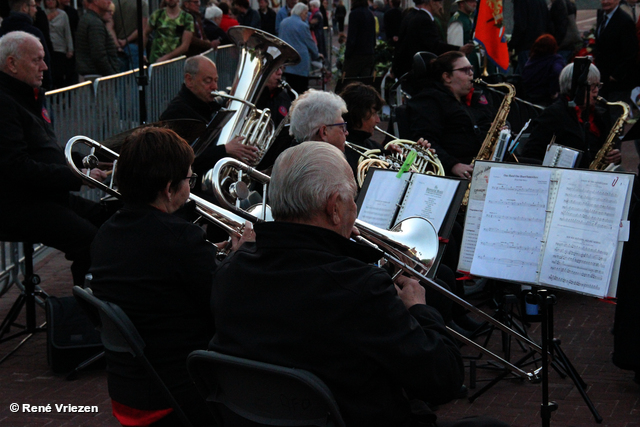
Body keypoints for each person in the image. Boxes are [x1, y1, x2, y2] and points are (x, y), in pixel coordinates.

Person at [209, 140, 510, 427]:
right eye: (353, 197)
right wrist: (419, 309)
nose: (356, 208)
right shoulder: (359, 287)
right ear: (334, 207)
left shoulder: (231, 269)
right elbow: (443, 379)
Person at [90, 127, 250, 427]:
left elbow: (158, 272)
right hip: (180, 392)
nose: (191, 186)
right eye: (189, 179)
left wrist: (215, 249)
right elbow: (228, 307)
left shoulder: (108, 231)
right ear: (167, 188)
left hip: (131, 387)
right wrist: (243, 255)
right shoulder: (180, 238)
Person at [0, 31, 108, 288]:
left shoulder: (29, 95)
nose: (45, 66)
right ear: (12, 64)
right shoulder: (4, 103)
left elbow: (48, 149)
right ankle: (90, 314)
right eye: (37, 60)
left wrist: (91, 162)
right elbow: (16, 167)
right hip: (19, 204)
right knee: (90, 241)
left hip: (46, 195)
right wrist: (77, 176)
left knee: (111, 220)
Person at [160, 55, 258, 187]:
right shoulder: (176, 112)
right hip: (192, 187)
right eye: (208, 81)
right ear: (189, 80)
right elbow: (183, 158)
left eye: (216, 81)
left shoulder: (210, 104)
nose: (215, 86)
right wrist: (225, 149)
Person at [406, 51, 493, 178]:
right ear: (447, 77)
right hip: (455, 171)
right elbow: (424, 140)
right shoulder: (429, 100)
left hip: (479, 165)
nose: (471, 74)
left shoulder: (468, 100)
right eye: (465, 70)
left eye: (471, 69)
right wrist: (453, 165)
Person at [521, 62, 621, 169]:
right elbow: (532, 153)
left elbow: (609, 147)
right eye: (592, 86)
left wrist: (615, 157)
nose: (596, 90)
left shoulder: (599, 114)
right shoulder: (554, 114)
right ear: (575, 87)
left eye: (598, 85)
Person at [392, 0, 473, 79]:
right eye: (439, 2)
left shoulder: (411, 16)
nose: (441, 6)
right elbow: (434, 45)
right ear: (431, 2)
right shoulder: (424, 20)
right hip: (418, 74)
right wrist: (459, 49)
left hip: (407, 71)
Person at [0, 0, 52, 88]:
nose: (36, 10)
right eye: (34, 6)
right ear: (24, 8)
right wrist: (47, 85)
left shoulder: (2, 30)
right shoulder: (34, 33)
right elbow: (45, 61)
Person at [594, 0, 639, 101]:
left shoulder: (625, 21)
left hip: (618, 83)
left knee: (616, 114)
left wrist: (616, 75)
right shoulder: (601, 16)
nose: (605, 2)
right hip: (602, 79)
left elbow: (631, 52)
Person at [253, 66, 295, 170]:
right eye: (275, 68)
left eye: (282, 68)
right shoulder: (253, 96)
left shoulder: (284, 96)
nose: (280, 72)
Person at [278, 2, 321, 95]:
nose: (307, 16)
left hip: (288, 61)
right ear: (301, 13)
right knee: (301, 90)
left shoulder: (283, 23)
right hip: (300, 62)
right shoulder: (303, 25)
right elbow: (310, 42)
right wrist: (316, 54)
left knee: (289, 89)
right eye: (306, 13)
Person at [75, 0, 119, 78]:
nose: (109, 2)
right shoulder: (94, 23)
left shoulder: (89, 19)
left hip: (93, 74)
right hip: (97, 76)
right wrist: (112, 75)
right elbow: (99, 55)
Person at [521, 34, 566, 106]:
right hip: (545, 99)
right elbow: (557, 72)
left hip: (529, 98)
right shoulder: (555, 59)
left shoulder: (531, 60)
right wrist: (553, 91)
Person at [509, 0, 549, 75]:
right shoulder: (542, 2)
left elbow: (520, 26)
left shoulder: (521, 2)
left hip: (526, 46)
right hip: (540, 44)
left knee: (526, 77)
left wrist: (511, 46)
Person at [342, 0, 375, 78]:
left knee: (348, 81)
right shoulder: (370, 14)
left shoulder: (354, 14)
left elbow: (352, 37)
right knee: (365, 81)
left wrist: (347, 54)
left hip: (356, 54)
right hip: (369, 54)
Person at [43, 0, 73, 88]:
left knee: (59, 74)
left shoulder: (63, 15)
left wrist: (70, 49)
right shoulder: (42, 14)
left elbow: (67, 32)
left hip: (60, 48)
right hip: (48, 48)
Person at [112, 0, 148, 71]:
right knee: (137, 78)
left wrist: (117, 43)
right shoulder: (141, 3)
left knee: (121, 77)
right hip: (136, 46)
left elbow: (110, 26)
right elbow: (142, 27)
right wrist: (126, 41)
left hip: (118, 48)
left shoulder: (113, 3)